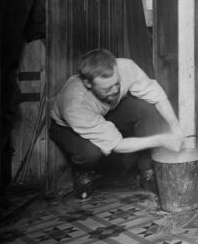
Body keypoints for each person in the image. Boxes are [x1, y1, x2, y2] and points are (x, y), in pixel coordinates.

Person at [50, 48, 184, 199]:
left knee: (145, 107)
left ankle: (147, 171)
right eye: (107, 88)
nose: (115, 90)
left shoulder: (125, 67)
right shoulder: (74, 104)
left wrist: (175, 125)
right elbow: (117, 145)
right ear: (88, 83)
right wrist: (162, 139)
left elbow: (157, 96)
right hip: (66, 128)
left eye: (117, 84)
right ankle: (82, 172)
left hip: (106, 112)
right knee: (91, 152)